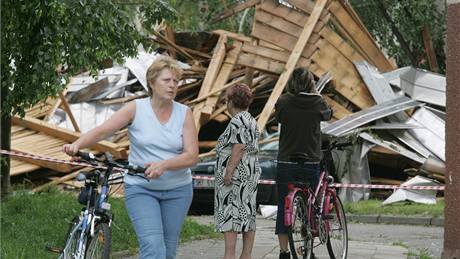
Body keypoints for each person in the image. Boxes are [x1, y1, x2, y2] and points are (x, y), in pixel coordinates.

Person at [62, 55, 199, 259]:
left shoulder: (184, 113)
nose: (172, 85)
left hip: (178, 191)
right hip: (142, 189)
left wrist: (165, 165)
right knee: (154, 248)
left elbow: (192, 156)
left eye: (175, 81)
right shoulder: (136, 108)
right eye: (167, 80)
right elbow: (103, 130)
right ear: (152, 83)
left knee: (168, 252)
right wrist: (76, 145)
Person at [274, 67, 332, 259]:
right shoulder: (317, 102)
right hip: (310, 161)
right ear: (310, 83)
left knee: (284, 207)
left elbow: (279, 118)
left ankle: (284, 252)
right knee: (312, 208)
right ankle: (309, 249)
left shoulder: (283, 101)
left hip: (286, 161)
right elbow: (328, 115)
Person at [214, 83, 261, 259]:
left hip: (235, 180)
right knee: (247, 214)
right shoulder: (251, 119)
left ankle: (230, 256)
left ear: (230, 101)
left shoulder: (238, 120)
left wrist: (228, 171)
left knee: (231, 217)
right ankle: (246, 255)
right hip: (248, 177)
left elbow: (239, 146)